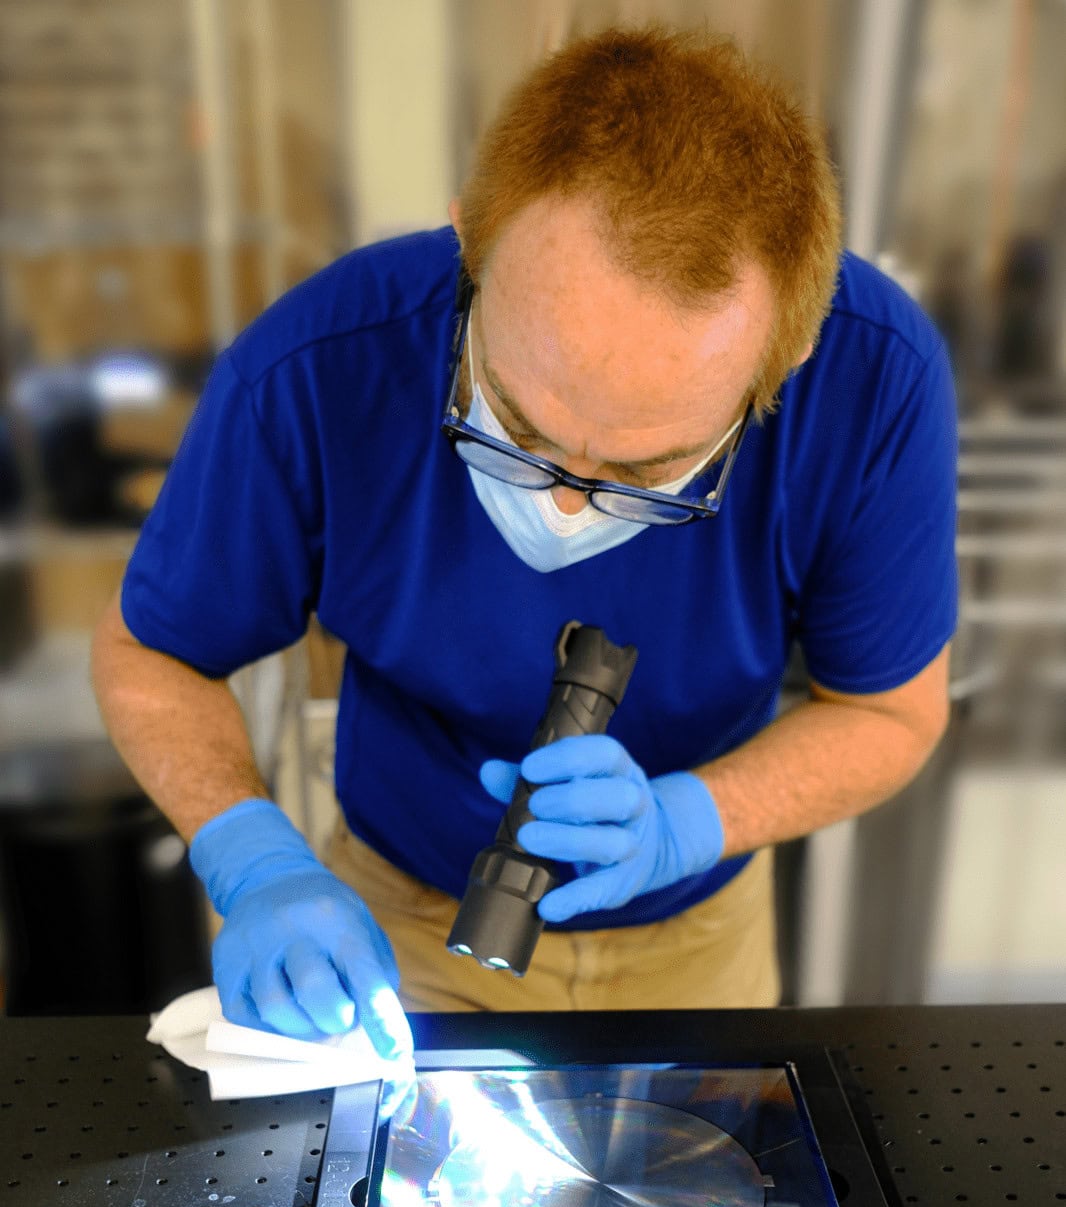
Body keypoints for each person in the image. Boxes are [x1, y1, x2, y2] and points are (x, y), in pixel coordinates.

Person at [91, 26, 957, 1093]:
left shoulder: (875, 379)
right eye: (521, 428)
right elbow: (151, 653)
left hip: (696, 938)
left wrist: (685, 822)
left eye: (645, 466)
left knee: (696, 1191)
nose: (565, 503)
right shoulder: (315, 367)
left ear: (791, 355)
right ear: (470, 240)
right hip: (398, 928)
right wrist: (252, 858)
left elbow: (890, 713)